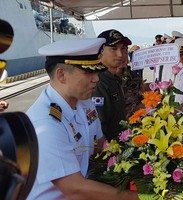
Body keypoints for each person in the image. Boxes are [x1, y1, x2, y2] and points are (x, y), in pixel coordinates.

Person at [26, 38, 138, 200]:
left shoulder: (85, 103)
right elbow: (74, 188)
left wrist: (138, 161)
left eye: (97, 71)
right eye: (88, 72)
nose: (96, 78)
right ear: (61, 75)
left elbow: (101, 145)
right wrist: (137, 196)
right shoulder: (46, 123)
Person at [92, 29, 132, 141]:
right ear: (100, 51)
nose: (120, 54)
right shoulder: (98, 82)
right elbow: (98, 126)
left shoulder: (114, 78)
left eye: (123, 49)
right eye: (114, 49)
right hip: (108, 149)